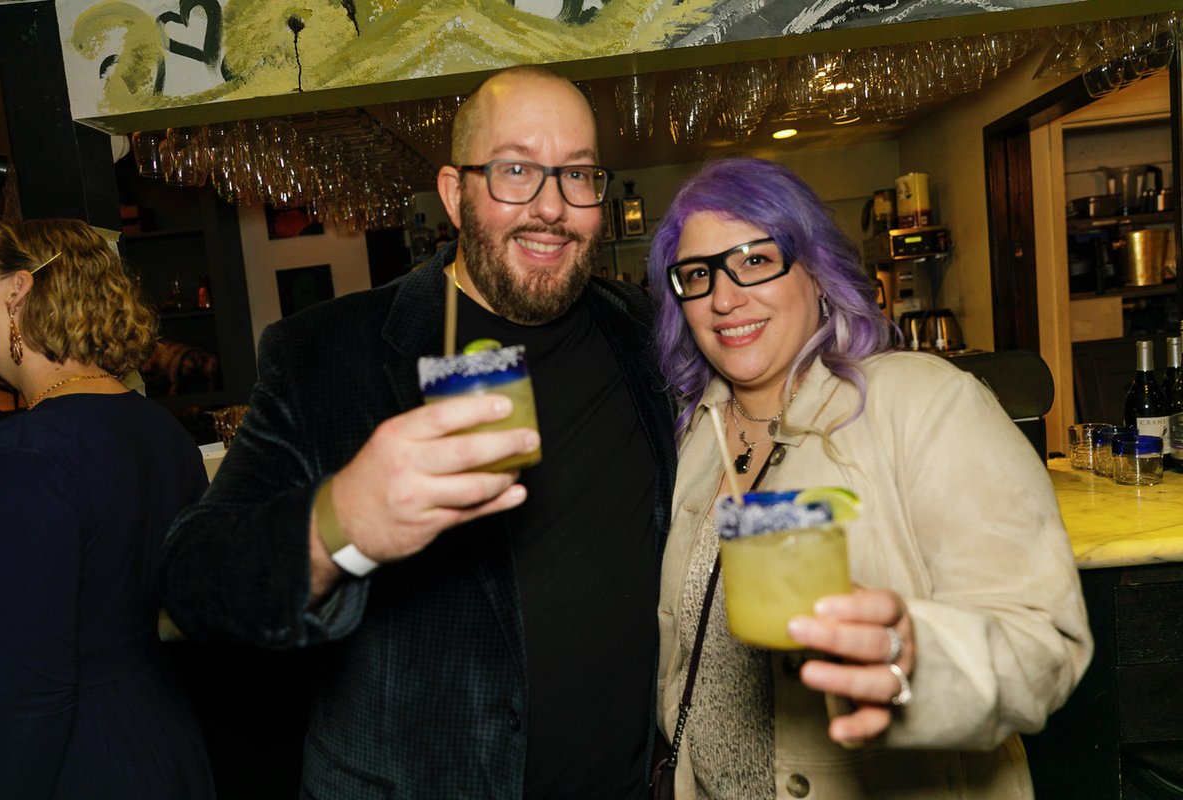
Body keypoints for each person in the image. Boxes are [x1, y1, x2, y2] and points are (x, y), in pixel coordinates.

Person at [162, 65, 676, 799]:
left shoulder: (646, 331)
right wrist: (342, 521)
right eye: (516, 171)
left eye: (578, 175)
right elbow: (194, 583)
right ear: (453, 193)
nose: (551, 208)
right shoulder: (328, 352)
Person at [646, 158, 1092, 799]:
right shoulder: (695, 437)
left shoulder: (921, 404)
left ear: (817, 272)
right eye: (697, 274)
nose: (724, 297)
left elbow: (1043, 642)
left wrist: (915, 658)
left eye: (754, 261)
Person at [0, 219, 214, 798]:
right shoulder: (161, 430)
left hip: (77, 758)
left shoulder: (25, 452)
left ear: (18, 291)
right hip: (165, 735)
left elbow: (32, 686)